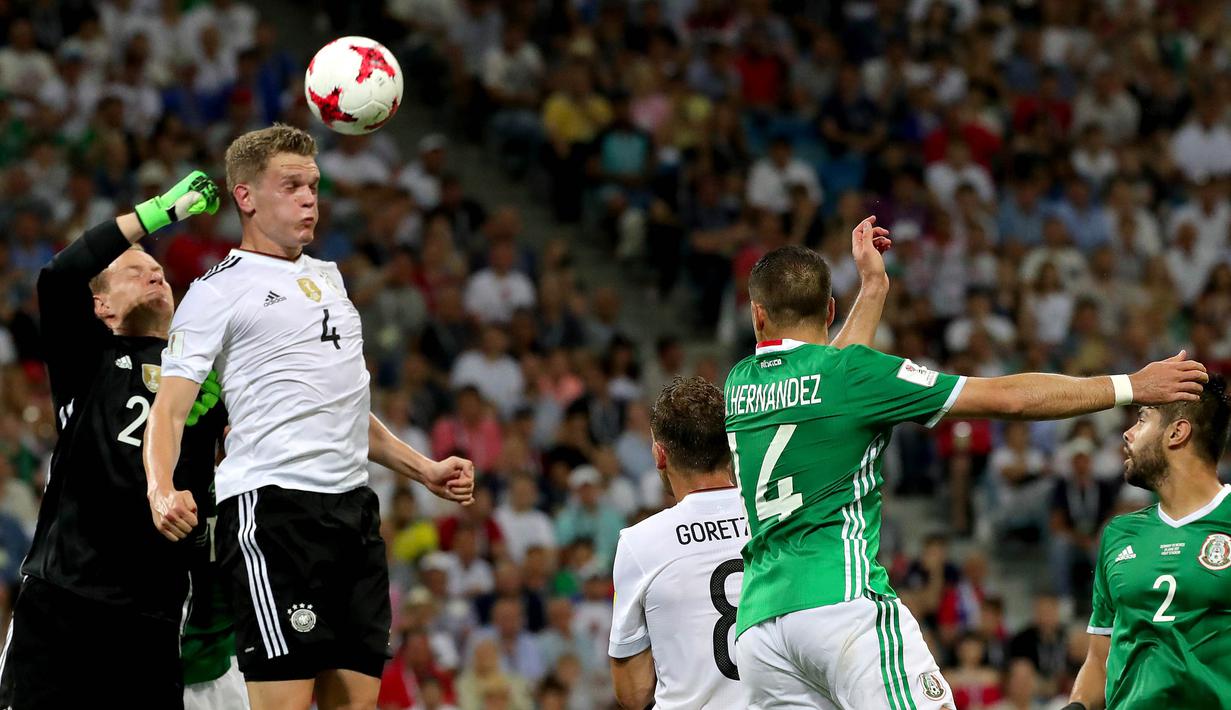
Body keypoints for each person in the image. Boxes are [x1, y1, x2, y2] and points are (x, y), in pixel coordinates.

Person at [725, 244, 1208, 710]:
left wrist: (874, 288)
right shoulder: (852, 375)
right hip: (839, 603)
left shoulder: (740, 383)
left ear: (757, 314)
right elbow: (1010, 399)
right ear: (830, 310)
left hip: (760, 630)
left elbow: (829, 374)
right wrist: (1131, 385)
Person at [142, 124, 475, 710]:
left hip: (353, 512)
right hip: (275, 512)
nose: (308, 199)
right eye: (291, 185)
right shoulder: (216, 290)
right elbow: (168, 411)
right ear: (245, 196)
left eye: (314, 186)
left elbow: (348, 408)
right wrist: (161, 488)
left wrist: (422, 469)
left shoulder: (329, 277)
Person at [608, 217, 894, 709]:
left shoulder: (640, 544)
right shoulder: (776, 515)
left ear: (660, 453)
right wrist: (872, 287)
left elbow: (634, 694)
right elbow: (826, 385)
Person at [0, 172, 226, 708]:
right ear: (101, 307)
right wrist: (157, 215)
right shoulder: (87, 358)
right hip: (62, 599)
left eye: (160, 272)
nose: (154, 275)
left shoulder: (207, 381)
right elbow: (58, 277)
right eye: (133, 269)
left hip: (152, 616)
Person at [1066, 375, 1231, 710]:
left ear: (1177, 432)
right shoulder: (1118, 534)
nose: (1127, 433)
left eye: (1141, 420)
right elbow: (1099, 659)